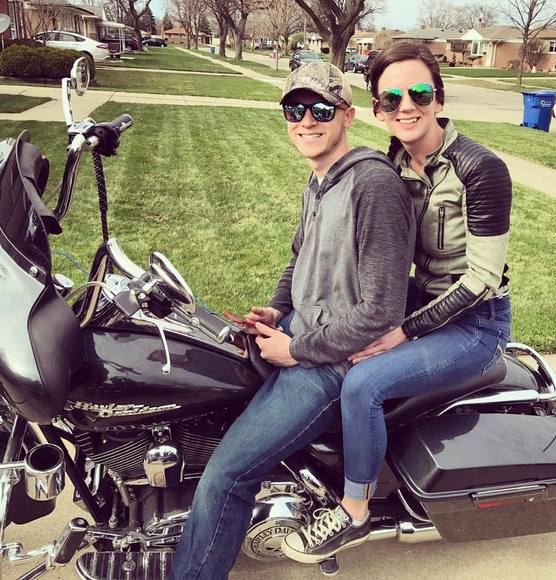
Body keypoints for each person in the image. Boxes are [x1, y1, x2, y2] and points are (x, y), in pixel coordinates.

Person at [168, 61, 415, 580]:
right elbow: (299, 257)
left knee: (227, 475)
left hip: (332, 363)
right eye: (294, 110)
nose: (306, 120)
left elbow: (382, 310)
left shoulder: (373, 185)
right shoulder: (320, 180)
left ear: (347, 115)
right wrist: (278, 308)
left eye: (321, 109)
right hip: (300, 330)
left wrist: (296, 350)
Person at [282, 42, 512, 563]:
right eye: (391, 99)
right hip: (417, 300)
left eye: (419, 94)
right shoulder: (393, 161)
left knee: (364, 382)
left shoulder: (481, 169)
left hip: (475, 324)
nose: (406, 107)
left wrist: (400, 332)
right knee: (328, 326)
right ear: (378, 109)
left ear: (439, 99)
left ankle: (355, 511)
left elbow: (482, 279)